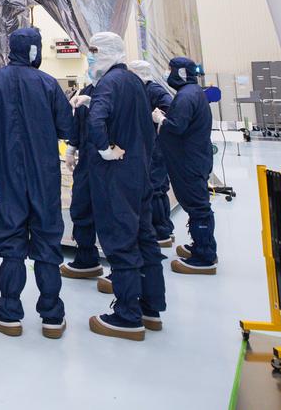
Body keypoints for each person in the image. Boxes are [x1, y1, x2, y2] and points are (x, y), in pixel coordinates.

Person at [0, 27, 74, 340]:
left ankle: (8, 310)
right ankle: (52, 315)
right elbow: (66, 127)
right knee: (47, 240)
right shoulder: (48, 84)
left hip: (8, 175)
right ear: (35, 50)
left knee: (11, 239)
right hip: (45, 174)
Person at [82, 32, 166, 341]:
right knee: (144, 237)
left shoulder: (108, 84)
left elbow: (96, 122)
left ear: (106, 52)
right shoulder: (132, 81)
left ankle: (127, 314)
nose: (89, 57)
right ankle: (150, 306)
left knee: (120, 239)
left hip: (116, 175)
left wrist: (105, 149)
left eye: (93, 52)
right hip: (139, 172)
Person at [161, 56, 217, 274]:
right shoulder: (194, 93)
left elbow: (177, 126)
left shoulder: (186, 96)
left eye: (170, 70)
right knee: (197, 207)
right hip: (194, 158)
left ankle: (205, 257)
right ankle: (200, 246)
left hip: (189, 161)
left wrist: (161, 120)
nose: (168, 74)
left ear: (180, 72)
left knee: (198, 208)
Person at [61, 78, 103, 281]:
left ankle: (124, 273)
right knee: (81, 206)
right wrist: (72, 147)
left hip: (113, 162)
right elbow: (79, 121)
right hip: (87, 160)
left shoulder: (120, 86)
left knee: (115, 214)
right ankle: (86, 258)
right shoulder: (87, 89)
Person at [130, 60, 175, 248]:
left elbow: (169, 107)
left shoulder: (153, 90)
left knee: (156, 188)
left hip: (156, 147)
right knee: (156, 187)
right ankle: (163, 228)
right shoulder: (142, 90)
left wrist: (156, 118)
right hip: (149, 145)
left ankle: (161, 232)